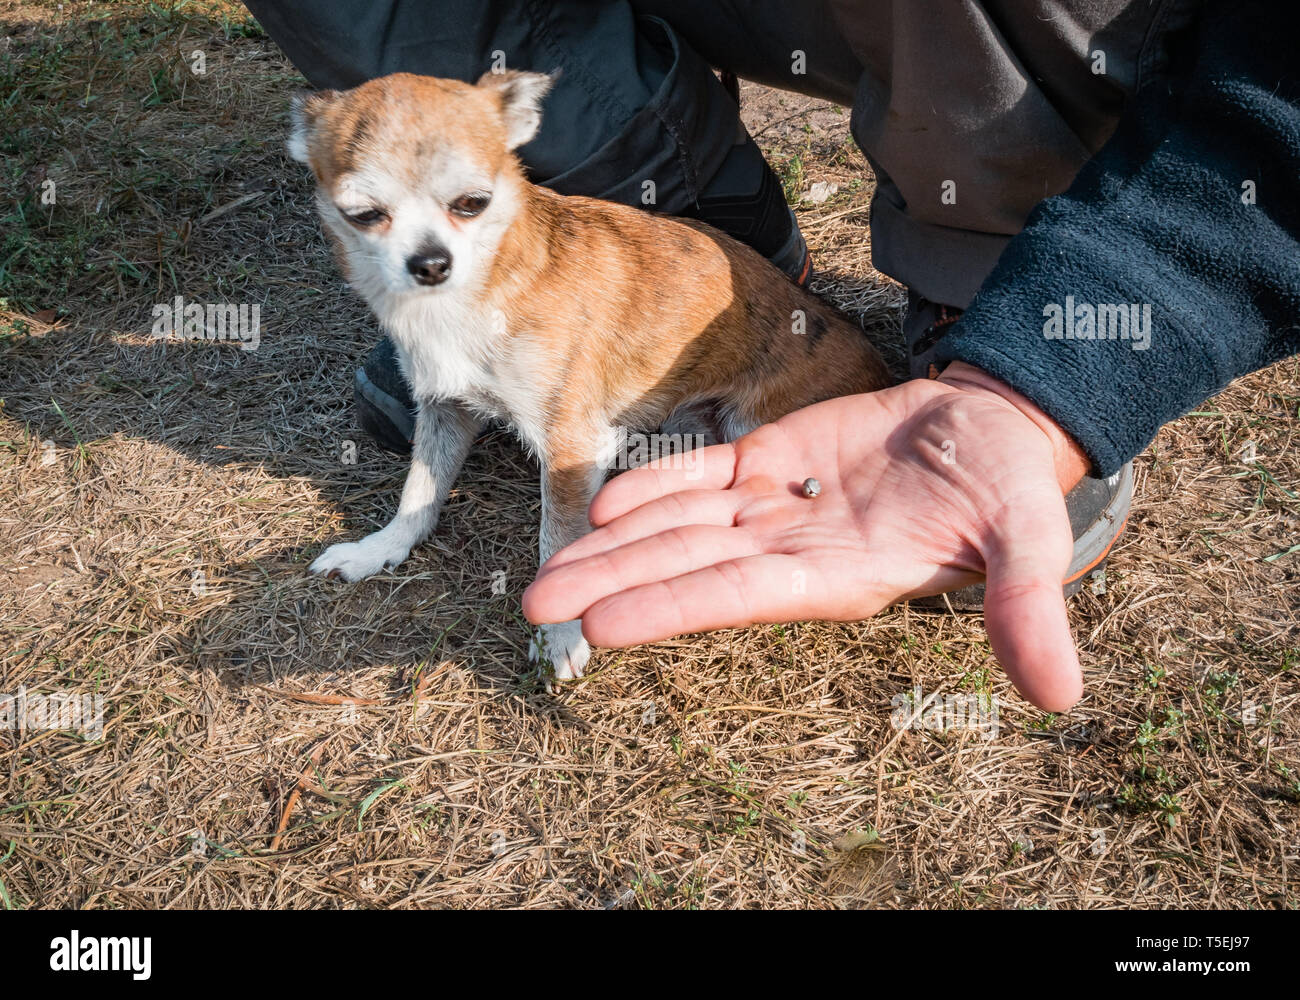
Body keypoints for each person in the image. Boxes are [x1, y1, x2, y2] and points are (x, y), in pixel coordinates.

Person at [246, 1, 1299, 711]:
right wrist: (405, 524)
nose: (423, 254)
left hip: (765, 360)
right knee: (446, 389)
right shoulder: (406, 221)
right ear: (310, 155)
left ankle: (986, 251)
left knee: (567, 423)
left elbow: (574, 449)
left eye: (468, 208)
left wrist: (1038, 386)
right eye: (369, 217)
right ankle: (658, 164)